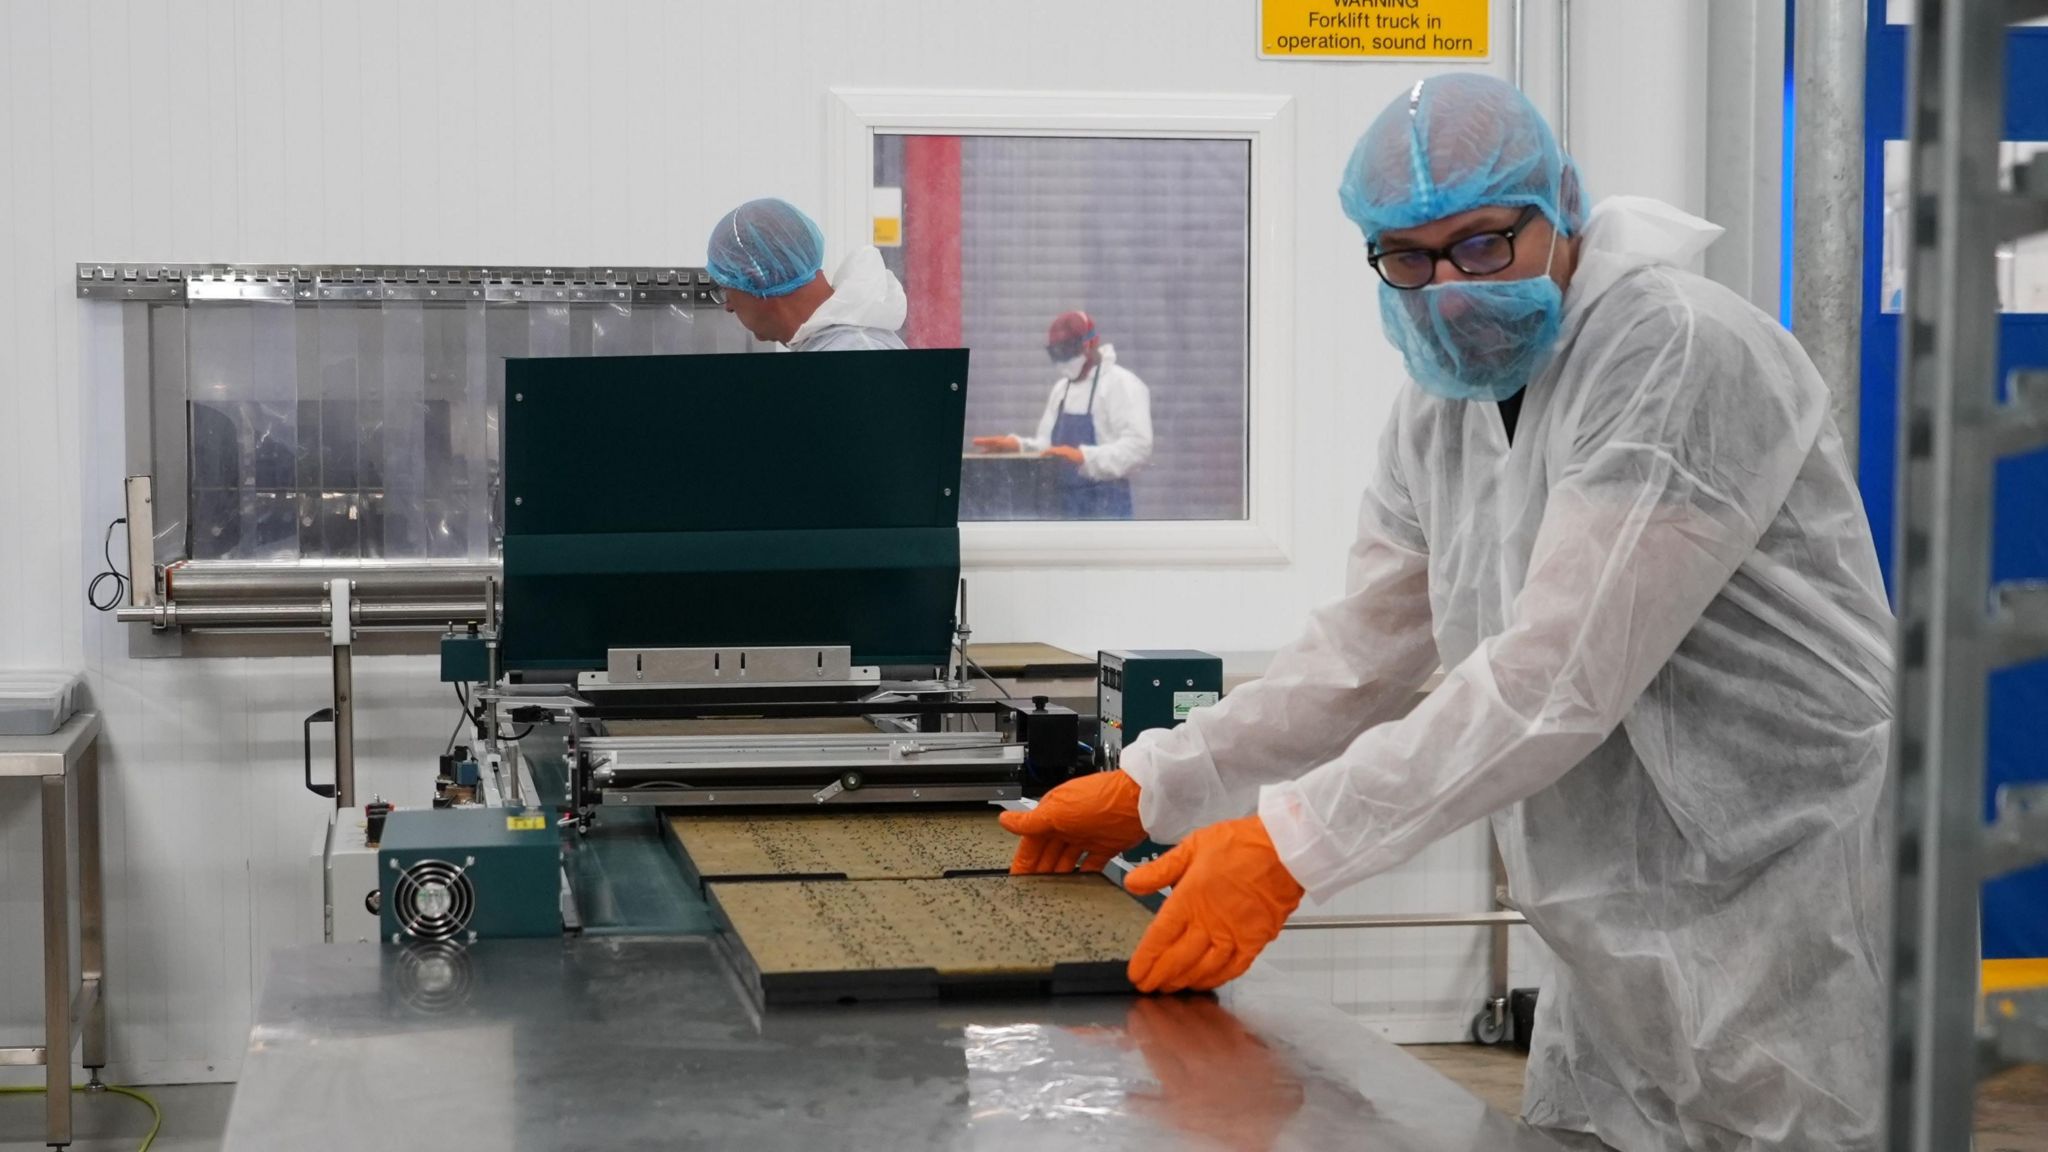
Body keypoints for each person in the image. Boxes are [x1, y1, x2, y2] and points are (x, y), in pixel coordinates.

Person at [1000, 73, 1892, 1152]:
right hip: (1607, 921)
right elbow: (1358, 655)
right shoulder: (1440, 405)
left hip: (1777, 896)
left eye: (1481, 246)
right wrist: (1155, 784)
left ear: (1559, 205)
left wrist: (1290, 846)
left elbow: (1557, 674)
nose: (1447, 292)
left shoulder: (1671, 351)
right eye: (1408, 260)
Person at [971, 311, 1154, 519]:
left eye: (1069, 349)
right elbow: (1050, 448)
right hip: (1063, 508)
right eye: (1057, 352)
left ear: (1091, 343)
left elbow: (1139, 447)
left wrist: (1086, 458)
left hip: (1106, 508)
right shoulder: (1062, 389)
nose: (1065, 359)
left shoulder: (1121, 385)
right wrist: (1018, 447)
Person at [705, 198, 907, 351]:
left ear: (757, 279)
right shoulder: (835, 345)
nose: (728, 307)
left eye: (725, 289)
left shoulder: (855, 354)